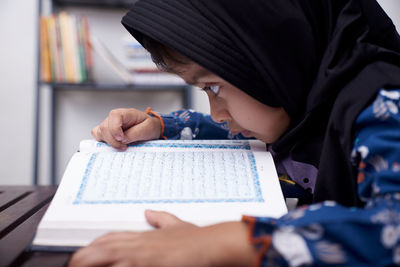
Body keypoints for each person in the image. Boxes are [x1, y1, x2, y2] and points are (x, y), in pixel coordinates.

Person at [68, 0, 400, 266]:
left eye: (214, 87)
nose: (216, 113)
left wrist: (221, 242)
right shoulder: (301, 104)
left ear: (276, 59)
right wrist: (161, 126)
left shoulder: (384, 107)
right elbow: (238, 131)